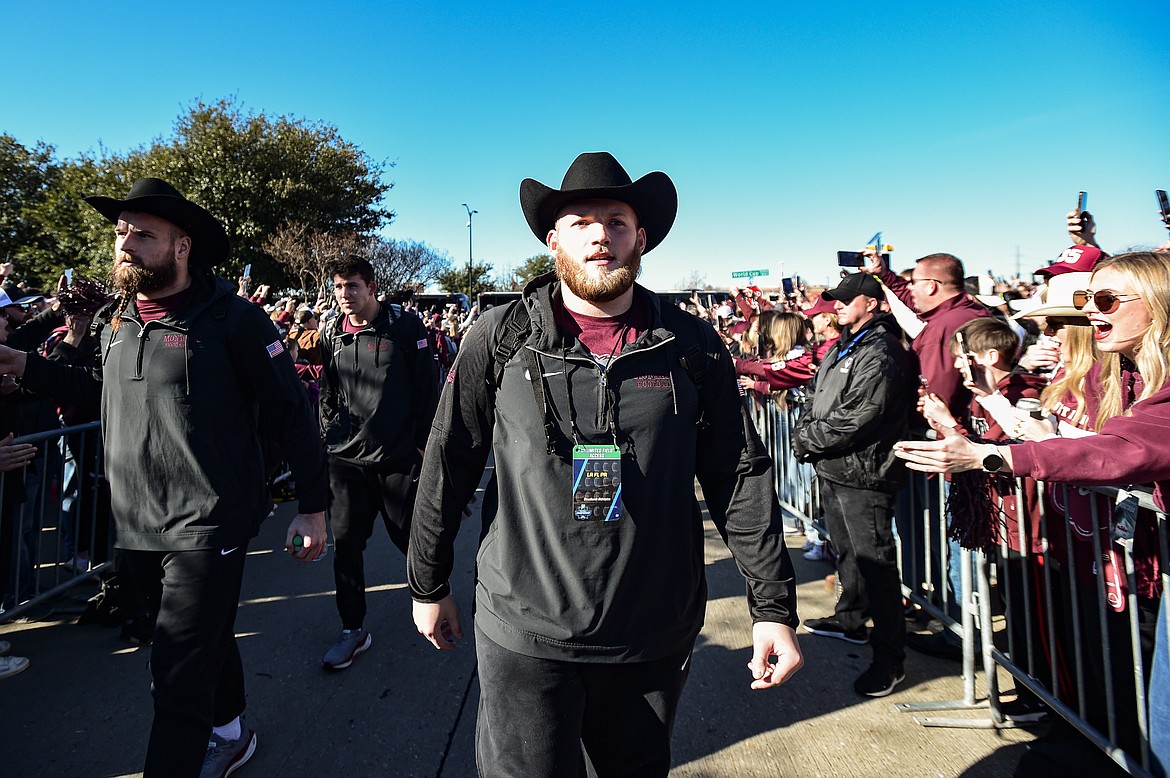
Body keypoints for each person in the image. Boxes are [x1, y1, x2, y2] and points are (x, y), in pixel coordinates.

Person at [407, 151, 802, 776]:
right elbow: (449, 459)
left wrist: (772, 607)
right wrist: (426, 582)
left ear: (640, 237)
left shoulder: (691, 344)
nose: (600, 236)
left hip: (650, 632)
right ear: (552, 237)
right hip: (526, 627)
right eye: (582, 220)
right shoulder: (500, 337)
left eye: (616, 221)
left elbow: (737, 474)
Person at [0, 178, 329, 778]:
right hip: (135, 521)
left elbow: (290, 412)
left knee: (175, 674)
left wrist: (313, 505)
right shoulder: (116, 320)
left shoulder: (235, 320)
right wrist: (27, 366)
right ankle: (230, 733)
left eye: (143, 235)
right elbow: (100, 393)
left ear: (182, 247)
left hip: (208, 522)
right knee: (200, 639)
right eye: (121, 231)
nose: (125, 244)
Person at [894, 251, 1169, 776]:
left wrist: (988, 453)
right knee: (1095, 670)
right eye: (1083, 304)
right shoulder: (1114, 373)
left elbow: (1120, 451)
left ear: (1157, 306)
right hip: (1086, 550)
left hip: (1130, 565)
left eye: (1104, 301)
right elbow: (1077, 443)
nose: (1085, 319)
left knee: (1144, 708)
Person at [792, 271, 915, 696]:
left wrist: (807, 439)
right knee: (848, 554)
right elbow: (817, 398)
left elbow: (861, 415)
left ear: (874, 303)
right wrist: (807, 432)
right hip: (835, 467)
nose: (837, 305)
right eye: (836, 300)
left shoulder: (881, 351)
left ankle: (890, 659)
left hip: (864, 473)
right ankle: (850, 621)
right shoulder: (848, 343)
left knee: (876, 565)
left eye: (847, 299)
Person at [317, 255, 437, 669]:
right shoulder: (331, 330)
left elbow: (428, 388)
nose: (344, 296)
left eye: (352, 286)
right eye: (337, 287)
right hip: (346, 461)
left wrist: (424, 447)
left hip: (397, 460)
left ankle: (435, 600)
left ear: (371, 287)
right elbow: (327, 390)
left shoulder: (404, 326)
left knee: (413, 543)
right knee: (346, 546)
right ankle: (352, 629)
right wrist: (329, 436)